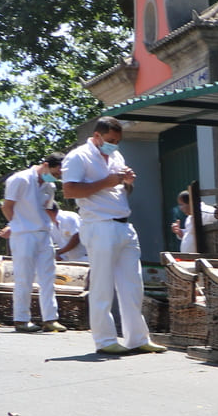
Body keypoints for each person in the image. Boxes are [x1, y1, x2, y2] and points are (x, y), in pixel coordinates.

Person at [61, 118, 162, 355]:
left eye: (118, 141)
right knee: (102, 285)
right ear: (97, 136)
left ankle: (137, 338)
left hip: (124, 225)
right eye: (110, 140)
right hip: (99, 225)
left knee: (133, 286)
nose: (114, 145)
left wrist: (127, 182)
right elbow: (69, 190)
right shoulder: (78, 156)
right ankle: (105, 340)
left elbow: (121, 191)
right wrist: (105, 182)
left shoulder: (116, 156)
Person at [0, 153, 65, 332]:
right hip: (23, 234)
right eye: (56, 172)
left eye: (59, 175)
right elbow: (7, 206)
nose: (56, 177)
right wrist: (16, 225)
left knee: (48, 277)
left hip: (44, 234)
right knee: (24, 277)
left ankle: (50, 319)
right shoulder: (20, 179)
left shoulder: (50, 185)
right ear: (46, 164)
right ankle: (21, 319)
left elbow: (47, 208)